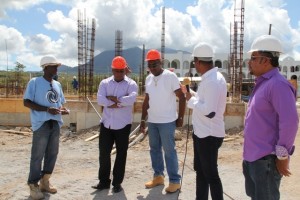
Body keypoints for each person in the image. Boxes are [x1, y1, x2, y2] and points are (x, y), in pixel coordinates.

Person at [243, 34, 299, 200]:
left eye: (253, 58)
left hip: (266, 161)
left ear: (265, 60)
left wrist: (283, 156)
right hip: (253, 158)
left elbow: (290, 122)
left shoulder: (277, 85)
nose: (249, 62)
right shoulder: (263, 83)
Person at [181, 43, 227, 200]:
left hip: (209, 135)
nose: (195, 66)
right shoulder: (210, 79)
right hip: (201, 133)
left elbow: (210, 111)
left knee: (211, 176)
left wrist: (189, 100)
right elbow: (204, 101)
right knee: (201, 173)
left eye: (195, 63)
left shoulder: (213, 81)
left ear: (198, 61)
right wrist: (190, 93)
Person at [140, 49, 186, 193]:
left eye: (155, 65)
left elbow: (182, 97)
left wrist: (180, 118)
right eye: (150, 66)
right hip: (153, 121)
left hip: (167, 121)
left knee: (169, 151)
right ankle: (158, 176)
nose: (152, 68)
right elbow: (147, 100)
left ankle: (175, 181)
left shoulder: (170, 77)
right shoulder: (149, 78)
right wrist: (142, 119)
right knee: (154, 150)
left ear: (160, 63)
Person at [23, 55, 69, 200]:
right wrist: (46, 109)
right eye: (54, 66)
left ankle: (45, 181)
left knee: (52, 153)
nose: (56, 69)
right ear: (46, 67)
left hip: (55, 123)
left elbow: (59, 103)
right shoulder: (34, 82)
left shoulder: (57, 84)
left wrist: (63, 109)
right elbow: (27, 102)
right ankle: (33, 185)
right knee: (37, 155)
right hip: (41, 123)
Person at [92, 56, 138, 193]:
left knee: (121, 154)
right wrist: (118, 103)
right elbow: (100, 99)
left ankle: (117, 183)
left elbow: (131, 99)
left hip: (123, 125)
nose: (119, 73)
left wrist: (114, 99)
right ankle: (104, 181)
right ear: (112, 69)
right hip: (106, 124)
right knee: (104, 154)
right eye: (116, 71)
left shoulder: (131, 84)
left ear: (125, 70)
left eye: (121, 71)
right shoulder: (105, 83)